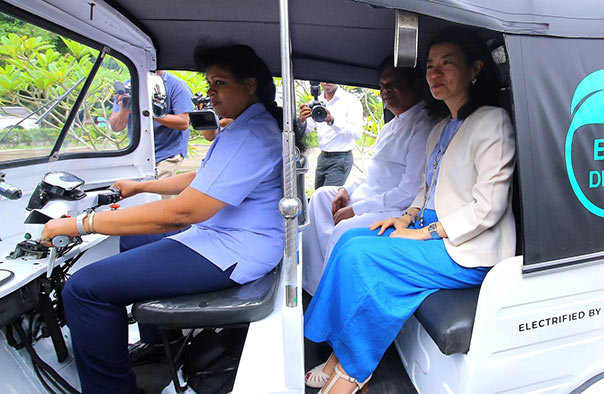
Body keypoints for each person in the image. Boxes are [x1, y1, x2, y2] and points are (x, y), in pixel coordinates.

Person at [40, 44, 296, 394]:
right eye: (208, 84)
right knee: (132, 238)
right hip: (225, 236)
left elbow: (182, 213)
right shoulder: (246, 127)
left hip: (233, 250)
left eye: (219, 83)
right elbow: (205, 180)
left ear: (250, 85)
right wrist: (141, 186)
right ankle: (161, 346)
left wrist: (80, 225)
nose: (210, 94)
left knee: (84, 289)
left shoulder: (251, 134)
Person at [303, 27, 516, 393]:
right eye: (430, 66)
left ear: (475, 68)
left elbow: (488, 208)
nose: (435, 74)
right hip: (432, 235)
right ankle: (342, 352)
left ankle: (354, 371)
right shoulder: (442, 129)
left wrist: (423, 231)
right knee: (351, 242)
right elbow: (424, 191)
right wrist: (403, 217)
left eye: (446, 64)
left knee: (364, 257)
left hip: (468, 248)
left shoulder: (492, 121)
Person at [302, 57, 434, 295]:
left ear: (415, 85)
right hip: (369, 197)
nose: (386, 92)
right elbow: (373, 171)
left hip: (392, 209)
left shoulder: (422, 126)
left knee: (345, 229)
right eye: (383, 86)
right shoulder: (392, 125)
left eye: (394, 84)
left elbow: (408, 193)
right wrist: (346, 191)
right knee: (322, 195)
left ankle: (334, 293)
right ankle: (313, 284)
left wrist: (356, 210)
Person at [109, 70, 194, 180]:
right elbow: (116, 127)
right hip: (137, 152)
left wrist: (148, 111)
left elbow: (183, 122)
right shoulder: (128, 87)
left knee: (159, 191)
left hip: (168, 153)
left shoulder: (177, 85)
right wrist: (124, 109)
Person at [298, 83, 364, 188]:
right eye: (322, 78)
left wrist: (332, 121)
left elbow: (357, 133)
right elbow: (307, 129)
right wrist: (301, 120)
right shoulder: (315, 102)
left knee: (327, 199)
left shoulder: (350, 100)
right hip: (322, 157)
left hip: (341, 158)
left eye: (329, 78)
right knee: (318, 196)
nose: (326, 81)